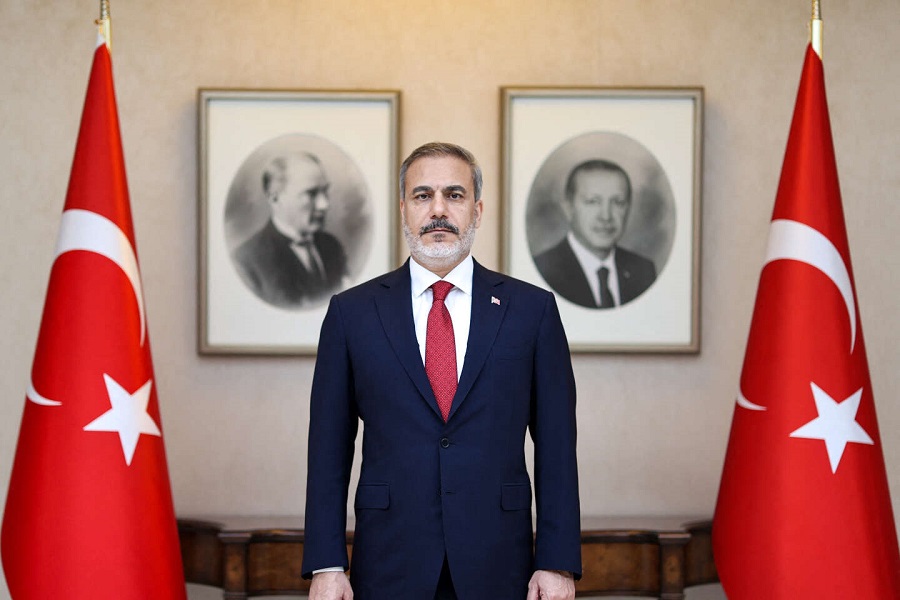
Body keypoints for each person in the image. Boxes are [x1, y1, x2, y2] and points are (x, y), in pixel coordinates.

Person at [302, 142, 581, 600]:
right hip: (389, 560)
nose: (438, 210)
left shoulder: (532, 310)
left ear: (477, 209)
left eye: (454, 195)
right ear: (403, 209)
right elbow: (328, 448)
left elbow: (556, 447)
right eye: (422, 195)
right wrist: (327, 563)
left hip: (500, 561)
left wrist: (556, 561)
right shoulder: (352, 313)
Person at [533, 159, 656, 309]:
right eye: (593, 201)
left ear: (628, 207)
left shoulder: (643, 270)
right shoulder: (544, 270)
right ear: (568, 208)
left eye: (618, 202)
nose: (606, 216)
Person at [232, 152, 347, 309]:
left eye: (325, 191)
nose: (324, 204)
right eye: (311, 194)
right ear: (275, 199)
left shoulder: (333, 246)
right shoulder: (246, 261)